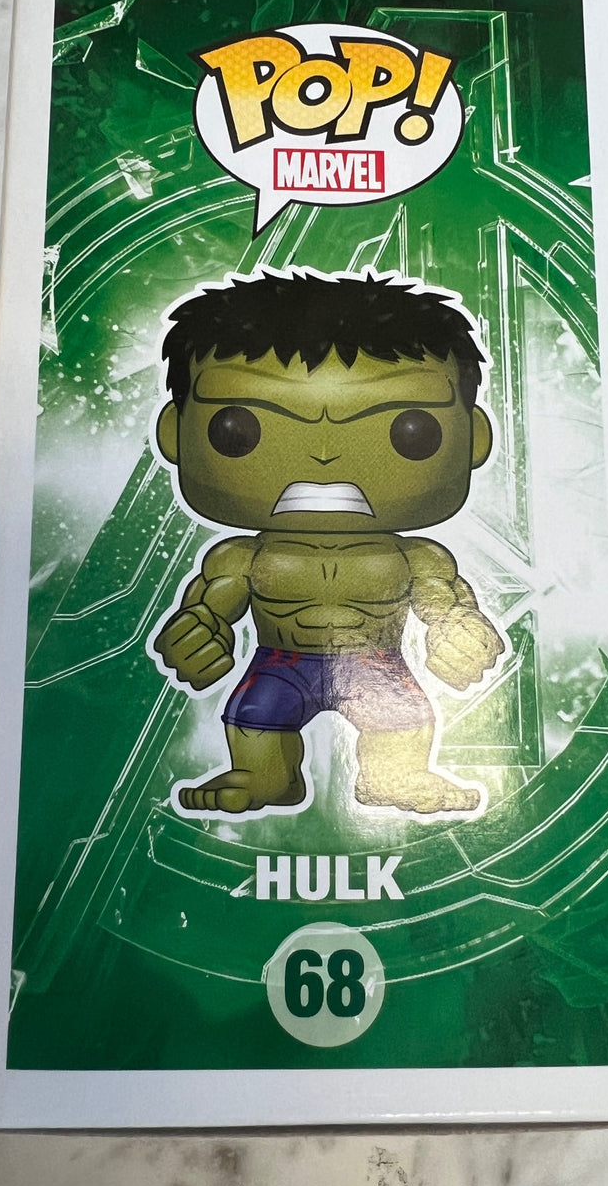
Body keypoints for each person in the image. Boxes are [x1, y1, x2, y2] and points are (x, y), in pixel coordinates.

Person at [151, 269, 503, 814]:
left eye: (410, 429)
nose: (324, 457)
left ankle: (395, 775)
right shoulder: (240, 558)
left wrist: (463, 634)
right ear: (173, 434)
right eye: (238, 428)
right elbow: (206, 610)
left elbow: (451, 606)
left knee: (402, 720)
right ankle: (265, 777)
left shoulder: (419, 559)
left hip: (376, 665)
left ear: (475, 438)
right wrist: (195, 635)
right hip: (278, 664)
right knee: (254, 718)